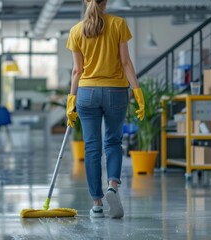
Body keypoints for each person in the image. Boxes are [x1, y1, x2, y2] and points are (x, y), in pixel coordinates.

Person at [65, 0, 145, 218]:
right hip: (115, 92)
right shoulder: (119, 24)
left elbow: (76, 70)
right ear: (106, 1)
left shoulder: (75, 30)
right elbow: (126, 62)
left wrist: (71, 99)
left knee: (92, 147)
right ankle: (112, 187)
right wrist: (137, 92)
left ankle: (97, 203)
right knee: (113, 142)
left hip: (87, 93)